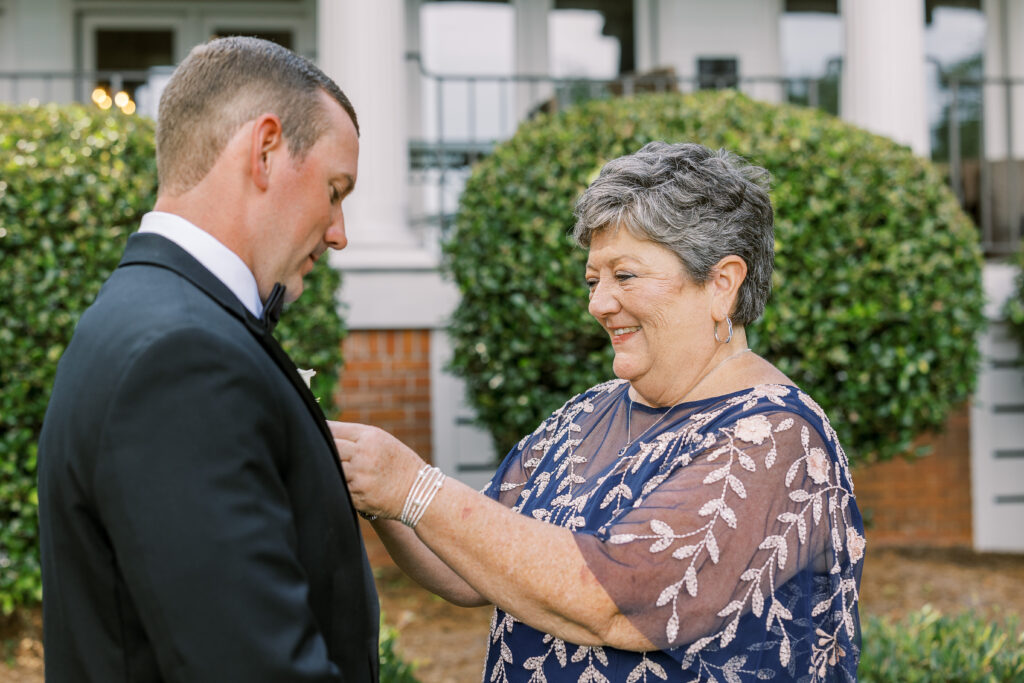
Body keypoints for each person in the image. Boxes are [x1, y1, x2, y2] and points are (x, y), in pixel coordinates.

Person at [332, 142, 864, 682]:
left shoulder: (774, 437)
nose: (599, 303)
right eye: (594, 280)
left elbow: (615, 604)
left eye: (625, 276)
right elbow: (469, 566)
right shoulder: (587, 413)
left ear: (721, 285)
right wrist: (373, 489)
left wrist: (413, 487)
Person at [37, 37, 378, 682]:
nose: (339, 232)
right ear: (267, 149)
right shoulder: (181, 358)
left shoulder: (146, 312)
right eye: (335, 190)